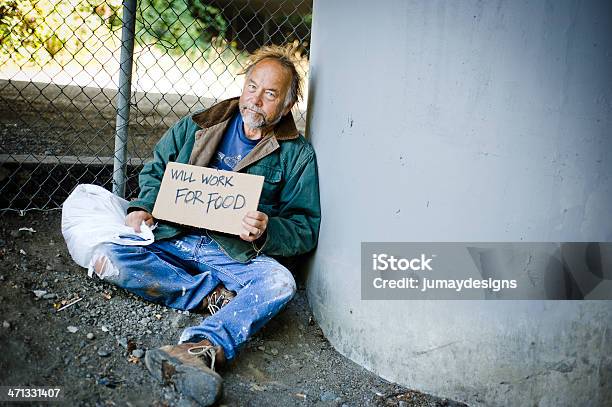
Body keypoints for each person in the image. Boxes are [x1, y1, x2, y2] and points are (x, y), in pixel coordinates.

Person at [92, 45, 321, 405]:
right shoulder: (199, 124)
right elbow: (155, 170)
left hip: (232, 251)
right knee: (108, 255)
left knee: (279, 282)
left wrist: (268, 229)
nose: (255, 99)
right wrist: (142, 207)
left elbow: (305, 226)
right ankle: (212, 295)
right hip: (174, 236)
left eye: (270, 93)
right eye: (251, 86)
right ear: (243, 85)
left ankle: (202, 347)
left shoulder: (297, 154)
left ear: (288, 105)